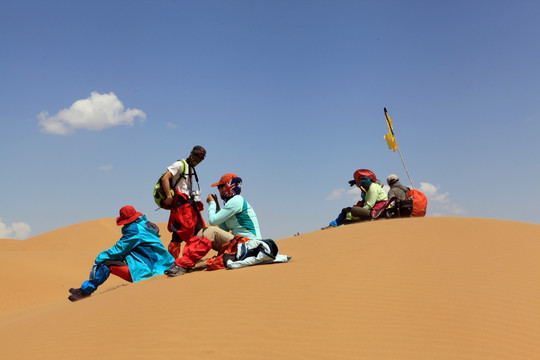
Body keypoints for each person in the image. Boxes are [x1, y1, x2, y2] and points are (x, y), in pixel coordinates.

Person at [68, 205, 175, 302]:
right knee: (115, 258)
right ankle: (84, 289)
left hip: (149, 270)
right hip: (163, 265)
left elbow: (120, 248)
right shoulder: (144, 225)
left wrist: (100, 257)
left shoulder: (134, 230)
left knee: (105, 263)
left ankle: (85, 292)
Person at [165, 173, 262, 277]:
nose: (219, 190)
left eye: (220, 187)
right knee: (202, 232)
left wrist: (211, 204)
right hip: (240, 243)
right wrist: (217, 208)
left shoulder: (236, 201)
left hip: (249, 244)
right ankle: (189, 261)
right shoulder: (232, 203)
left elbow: (213, 221)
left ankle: (183, 264)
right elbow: (224, 228)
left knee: (210, 231)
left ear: (228, 187)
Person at [161, 146, 207, 259]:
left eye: (201, 157)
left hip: (188, 204)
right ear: (191, 153)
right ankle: (177, 261)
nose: (198, 159)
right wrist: (168, 196)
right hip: (180, 205)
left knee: (188, 232)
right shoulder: (180, 164)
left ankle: (184, 260)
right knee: (182, 233)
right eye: (197, 155)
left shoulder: (191, 168)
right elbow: (164, 178)